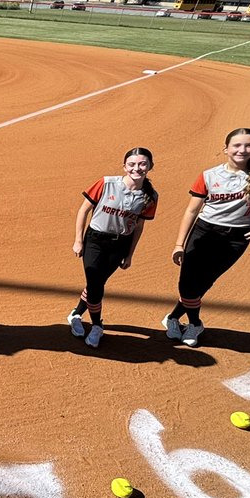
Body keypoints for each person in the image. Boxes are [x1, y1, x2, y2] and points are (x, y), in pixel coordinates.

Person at [162, 127, 250, 347]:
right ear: (225, 149)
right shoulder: (209, 175)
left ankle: (173, 318)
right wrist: (179, 244)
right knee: (187, 284)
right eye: (236, 145)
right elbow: (192, 211)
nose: (242, 150)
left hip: (237, 237)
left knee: (204, 282)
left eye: (248, 145)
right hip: (204, 232)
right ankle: (195, 323)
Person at [68, 148, 158, 348]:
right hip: (95, 240)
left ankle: (76, 314)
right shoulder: (106, 183)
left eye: (142, 164)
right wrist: (78, 240)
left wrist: (130, 254)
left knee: (97, 282)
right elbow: (83, 210)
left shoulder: (150, 196)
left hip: (120, 244)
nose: (137, 168)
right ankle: (97, 325)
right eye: (131, 164)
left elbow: (139, 227)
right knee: (95, 283)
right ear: (124, 166)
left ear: (150, 166)